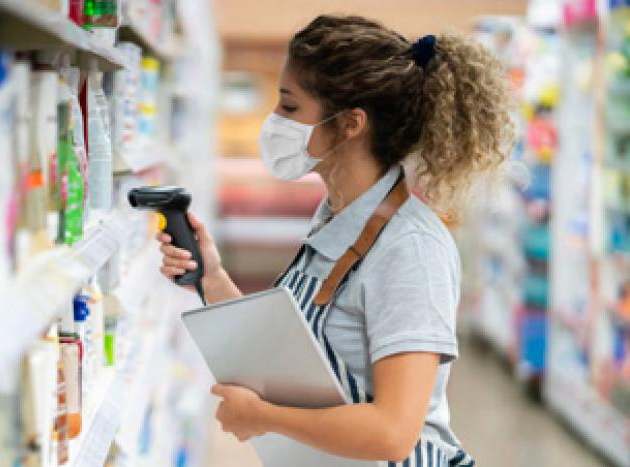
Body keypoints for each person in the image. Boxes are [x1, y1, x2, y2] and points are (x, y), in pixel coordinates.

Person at [157, 15, 512, 466]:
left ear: (351, 123)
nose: (274, 121)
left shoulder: (411, 249)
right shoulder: (337, 218)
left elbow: (392, 434)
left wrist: (264, 416)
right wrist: (212, 278)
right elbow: (295, 359)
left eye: (289, 107)